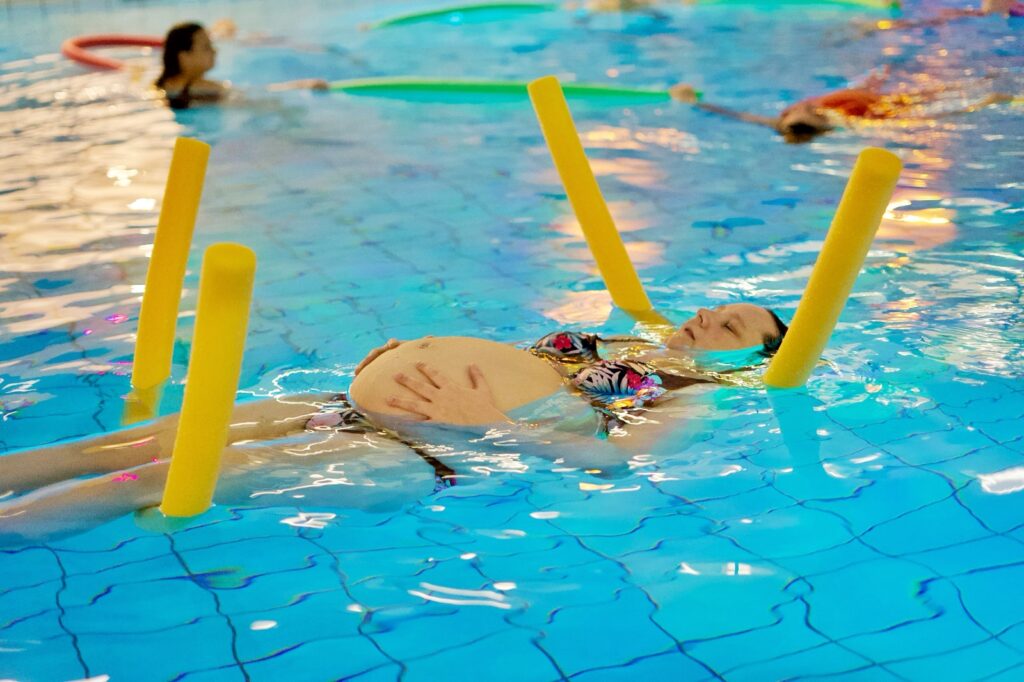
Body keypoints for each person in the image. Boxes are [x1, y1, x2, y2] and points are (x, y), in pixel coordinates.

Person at [0, 304, 787, 543]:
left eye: (730, 329)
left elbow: (615, 464)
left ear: (749, 361)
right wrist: (403, 354)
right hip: (353, 406)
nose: (707, 320)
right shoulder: (616, 341)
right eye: (713, 310)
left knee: (168, 474)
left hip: (427, 452)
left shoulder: (686, 392)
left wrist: (490, 424)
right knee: (125, 442)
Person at [669, 69, 1014, 143]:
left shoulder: (783, 121)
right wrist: (981, 103)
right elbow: (924, 117)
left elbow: (738, 115)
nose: (795, 111)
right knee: (927, 93)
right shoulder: (848, 121)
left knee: (877, 77)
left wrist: (695, 101)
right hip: (881, 103)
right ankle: (981, 83)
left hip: (856, 91)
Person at [154, 22, 328, 109]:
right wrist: (302, 85)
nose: (214, 51)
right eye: (206, 47)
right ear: (184, 57)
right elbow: (257, 92)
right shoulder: (201, 87)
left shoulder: (164, 85)